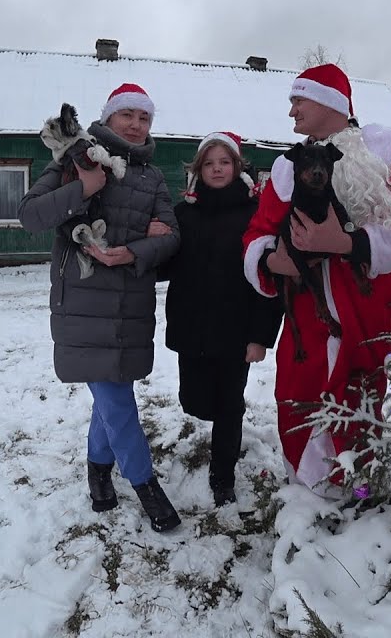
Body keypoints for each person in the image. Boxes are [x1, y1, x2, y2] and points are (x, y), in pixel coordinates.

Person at [241, 63, 391, 492]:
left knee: (360, 397)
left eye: (298, 100)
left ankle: (357, 489)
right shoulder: (288, 169)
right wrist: (272, 261)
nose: (291, 112)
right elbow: (257, 234)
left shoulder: (386, 152)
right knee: (296, 395)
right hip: (306, 317)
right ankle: (305, 496)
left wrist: (346, 243)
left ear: (328, 102)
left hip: (365, 314)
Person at [19, 83, 183, 532]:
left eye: (143, 117)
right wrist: (85, 186)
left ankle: (97, 469)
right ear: (108, 118)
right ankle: (146, 484)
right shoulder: (79, 158)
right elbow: (31, 215)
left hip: (130, 306)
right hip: (84, 304)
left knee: (110, 395)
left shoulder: (152, 177)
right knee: (118, 399)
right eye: (126, 114)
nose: (135, 124)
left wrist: (135, 252)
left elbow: (171, 236)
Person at [155, 131, 283, 506]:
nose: (217, 169)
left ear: (237, 166)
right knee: (194, 402)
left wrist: (260, 337)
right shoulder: (183, 214)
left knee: (230, 407)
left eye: (224, 162)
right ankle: (213, 426)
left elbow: (267, 282)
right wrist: (154, 241)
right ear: (198, 169)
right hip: (192, 327)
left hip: (236, 330)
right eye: (209, 163)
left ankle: (222, 476)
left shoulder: (255, 217)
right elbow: (164, 267)